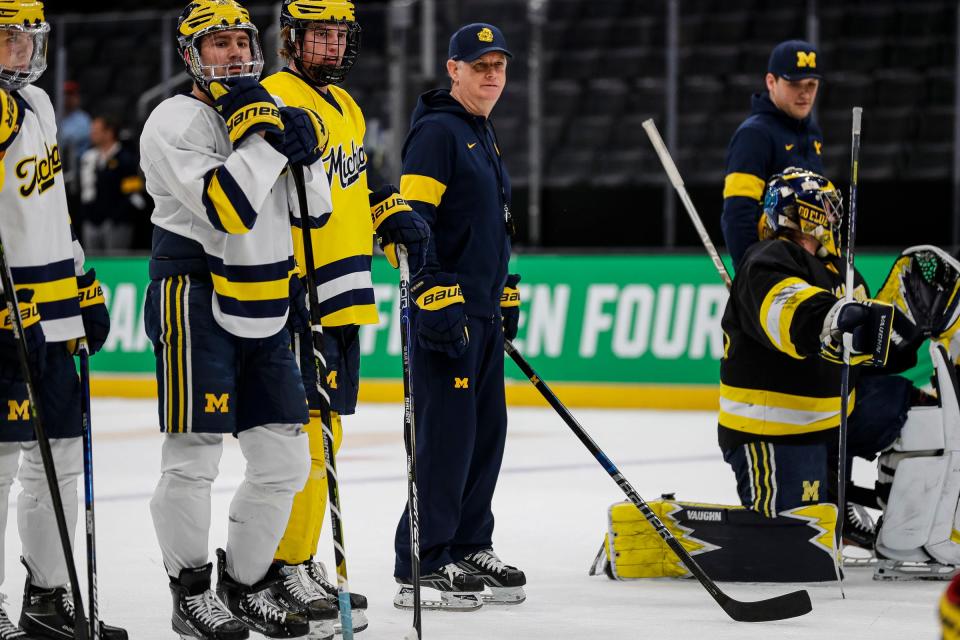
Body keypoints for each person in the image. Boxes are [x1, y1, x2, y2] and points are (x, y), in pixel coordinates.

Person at [140, 1, 337, 637]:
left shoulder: (264, 113)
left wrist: (305, 152)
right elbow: (228, 207)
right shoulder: (174, 119)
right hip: (192, 295)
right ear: (191, 54)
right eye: (216, 42)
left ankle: (246, 584)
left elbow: (315, 215)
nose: (231, 51)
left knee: (284, 458)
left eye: (239, 39)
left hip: (267, 298)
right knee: (194, 456)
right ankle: (190, 589)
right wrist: (263, 140)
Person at [261, 1, 428, 630]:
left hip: (344, 296)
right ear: (290, 40)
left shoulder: (347, 106)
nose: (331, 46)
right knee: (301, 438)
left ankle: (301, 559)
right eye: (318, 36)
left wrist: (390, 218)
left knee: (327, 436)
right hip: (298, 295)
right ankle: (286, 564)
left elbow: (354, 185)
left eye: (338, 36)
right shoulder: (275, 95)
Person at [718, 169, 940, 544]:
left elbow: (870, 346)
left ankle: (895, 517)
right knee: (794, 545)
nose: (835, 217)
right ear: (807, 213)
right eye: (827, 208)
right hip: (775, 432)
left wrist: (901, 339)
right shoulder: (766, 258)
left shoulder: (841, 270)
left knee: (929, 415)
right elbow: (790, 311)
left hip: (834, 422)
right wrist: (833, 317)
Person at [0, 2, 126, 638]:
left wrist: (81, 281)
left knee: (62, 458)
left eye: (26, 40)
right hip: (4, 313)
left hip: (52, 309)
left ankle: (46, 598)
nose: (19, 52)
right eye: (5, 39)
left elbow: (48, 207)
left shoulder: (42, 106)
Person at [391, 22, 527, 611]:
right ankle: (421, 560)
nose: (492, 75)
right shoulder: (438, 133)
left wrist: (500, 289)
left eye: (498, 66)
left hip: (481, 313)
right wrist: (431, 291)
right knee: (445, 441)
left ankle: (470, 542)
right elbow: (412, 227)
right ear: (453, 70)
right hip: (445, 316)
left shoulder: (481, 130)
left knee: (483, 437)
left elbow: (481, 224)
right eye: (480, 66)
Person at [721, 40, 825, 268]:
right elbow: (737, 214)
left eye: (811, 84)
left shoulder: (812, 132)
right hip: (773, 268)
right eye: (794, 84)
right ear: (771, 82)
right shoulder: (753, 134)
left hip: (809, 264)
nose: (805, 93)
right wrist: (752, 276)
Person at [78, 115, 145, 252]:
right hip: (93, 222)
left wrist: (115, 218)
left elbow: (133, 195)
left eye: (96, 131)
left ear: (109, 133)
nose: (92, 134)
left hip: (116, 224)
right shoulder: (89, 158)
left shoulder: (125, 159)